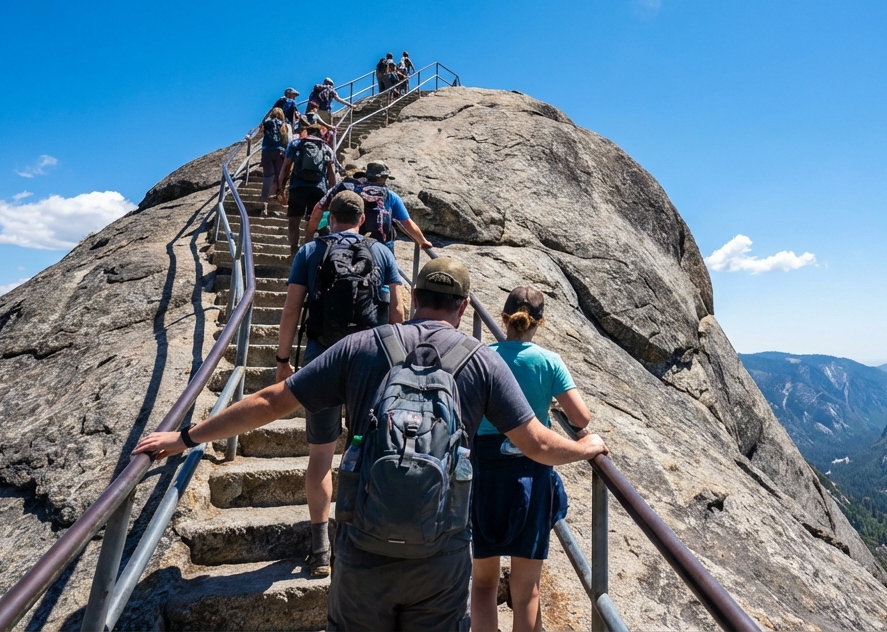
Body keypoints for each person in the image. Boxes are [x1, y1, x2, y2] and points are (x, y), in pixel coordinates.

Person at [134, 257, 608, 631]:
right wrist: (587, 448)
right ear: (463, 307)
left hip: (363, 542)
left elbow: (272, 399)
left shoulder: (362, 346)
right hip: (440, 551)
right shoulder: (481, 362)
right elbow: (539, 445)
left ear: (414, 296)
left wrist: (185, 437)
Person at [274, 190, 405, 576]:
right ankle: (372, 536)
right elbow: (397, 311)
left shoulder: (310, 252)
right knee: (376, 447)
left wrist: (283, 361)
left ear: (331, 217)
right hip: (373, 357)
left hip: (322, 356)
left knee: (321, 456)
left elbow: (291, 310)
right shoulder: (382, 252)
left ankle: (319, 549)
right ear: (363, 219)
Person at [471, 286, 592, 632]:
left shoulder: (483, 356)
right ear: (540, 322)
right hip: (530, 473)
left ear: (504, 318)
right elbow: (581, 418)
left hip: (485, 472)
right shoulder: (548, 361)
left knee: (482, 583)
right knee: (526, 592)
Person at [312, 161, 432, 253]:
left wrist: (309, 234)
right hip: (380, 245)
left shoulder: (350, 188)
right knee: (384, 278)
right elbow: (406, 222)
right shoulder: (390, 196)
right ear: (381, 177)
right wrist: (422, 241)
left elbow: (319, 208)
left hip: (348, 241)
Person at [279, 124, 334, 255]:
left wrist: (281, 188)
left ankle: (293, 251)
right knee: (313, 222)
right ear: (320, 133)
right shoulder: (326, 148)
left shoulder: (296, 144)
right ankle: (307, 252)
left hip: (297, 187)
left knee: (294, 220)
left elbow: (286, 167)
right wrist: (332, 192)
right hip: (318, 189)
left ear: (306, 132)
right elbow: (331, 173)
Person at [256, 108, 290, 216]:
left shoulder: (267, 123)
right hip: (280, 152)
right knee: (280, 177)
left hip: (267, 152)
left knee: (267, 177)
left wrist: (248, 137)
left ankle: (264, 204)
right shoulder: (285, 125)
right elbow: (288, 140)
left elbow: (259, 135)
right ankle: (280, 199)